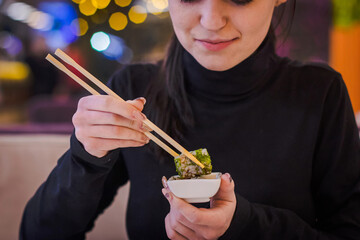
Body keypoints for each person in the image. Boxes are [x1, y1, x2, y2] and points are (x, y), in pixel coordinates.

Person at [20, 0, 360, 239]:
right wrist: (85, 156)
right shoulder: (132, 89)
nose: (212, 20)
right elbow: (40, 234)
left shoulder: (319, 92)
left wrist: (243, 224)